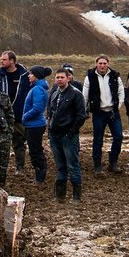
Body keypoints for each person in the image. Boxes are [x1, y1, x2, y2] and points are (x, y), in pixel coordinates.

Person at [47, 69, 87, 202]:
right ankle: (60, 196)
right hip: (55, 134)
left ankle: (76, 196)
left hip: (68, 135)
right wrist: (50, 129)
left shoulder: (76, 94)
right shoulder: (54, 93)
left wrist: (72, 131)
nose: (59, 79)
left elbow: (81, 115)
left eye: (61, 77)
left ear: (68, 78)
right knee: (60, 165)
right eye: (57, 77)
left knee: (73, 165)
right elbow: (50, 112)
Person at [82, 55, 124, 174]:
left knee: (119, 137)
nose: (102, 65)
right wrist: (84, 110)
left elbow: (121, 92)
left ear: (108, 64)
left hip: (113, 112)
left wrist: (118, 106)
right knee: (98, 140)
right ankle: (97, 165)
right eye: (100, 63)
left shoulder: (115, 76)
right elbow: (84, 95)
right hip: (98, 112)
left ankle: (113, 162)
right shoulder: (89, 77)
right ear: (96, 64)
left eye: (104, 63)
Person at [0, 51, 30, 175]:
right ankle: (0, 169)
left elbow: (28, 93)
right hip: (3, 115)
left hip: (19, 115)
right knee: (1, 144)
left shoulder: (24, 75)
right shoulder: (0, 75)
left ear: (12, 61)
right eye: (1, 59)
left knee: (19, 143)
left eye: (4, 59)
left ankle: (19, 167)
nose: (1, 61)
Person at [22, 66, 52, 184]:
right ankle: (39, 173)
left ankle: (40, 174)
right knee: (36, 149)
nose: (29, 76)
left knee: (35, 150)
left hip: (35, 125)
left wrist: (25, 117)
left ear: (36, 76)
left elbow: (38, 108)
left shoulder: (38, 89)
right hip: (33, 124)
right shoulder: (38, 87)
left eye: (30, 74)